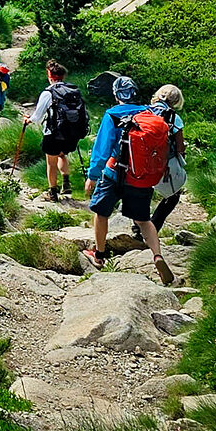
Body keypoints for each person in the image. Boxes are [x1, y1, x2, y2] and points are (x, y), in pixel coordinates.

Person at [84, 75, 175, 284]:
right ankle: (157, 255)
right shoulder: (149, 113)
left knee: (101, 213)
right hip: (140, 177)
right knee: (143, 220)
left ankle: (99, 255)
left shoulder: (112, 115)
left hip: (114, 173)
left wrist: (92, 176)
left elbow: (101, 151)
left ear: (116, 95)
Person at [23, 59, 88, 201]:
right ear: (63, 76)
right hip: (71, 133)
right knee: (62, 155)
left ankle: (52, 192)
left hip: (53, 133)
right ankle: (66, 182)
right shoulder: (73, 91)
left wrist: (28, 120)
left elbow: (37, 116)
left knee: (50, 163)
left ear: (49, 75)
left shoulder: (48, 93)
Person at [147, 84, 188, 234]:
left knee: (143, 191)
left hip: (140, 160)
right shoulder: (174, 118)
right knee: (173, 195)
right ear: (176, 100)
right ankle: (153, 227)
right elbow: (179, 147)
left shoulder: (144, 111)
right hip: (163, 162)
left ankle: (138, 226)